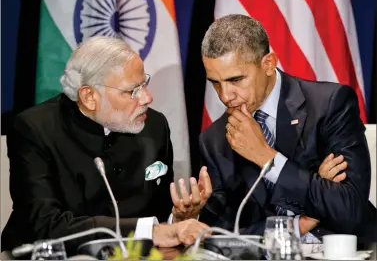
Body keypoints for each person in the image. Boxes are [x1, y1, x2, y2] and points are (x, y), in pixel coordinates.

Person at [1, 36, 210, 255]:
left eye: (144, 84)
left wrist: (177, 218)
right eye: (132, 91)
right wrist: (150, 231)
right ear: (89, 96)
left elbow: (158, 215)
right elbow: (45, 224)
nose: (147, 97)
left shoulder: (154, 126)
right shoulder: (35, 129)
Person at [192, 14, 376, 242]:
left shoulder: (329, 105)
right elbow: (219, 235)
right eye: (215, 83)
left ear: (268, 64)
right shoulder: (214, 140)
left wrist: (266, 157)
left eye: (236, 80)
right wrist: (300, 222)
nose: (226, 96)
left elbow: (349, 209)